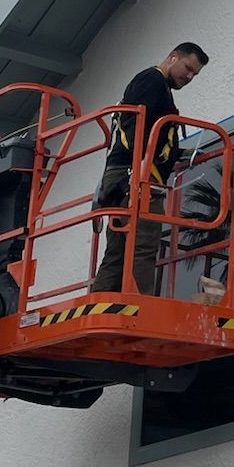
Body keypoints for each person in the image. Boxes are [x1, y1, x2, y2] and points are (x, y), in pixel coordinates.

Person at [93, 42, 210, 294]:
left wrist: (179, 154)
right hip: (136, 177)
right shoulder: (152, 82)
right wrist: (141, 172)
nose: (189, 77)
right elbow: (140, 130)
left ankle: (101, 305)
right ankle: (138, 306)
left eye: (194, 74)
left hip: (123, 176)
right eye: (188, 68)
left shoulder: (153, 84)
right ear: (172, 57)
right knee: (143, 246)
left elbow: (145, 136)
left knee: (118, 251)